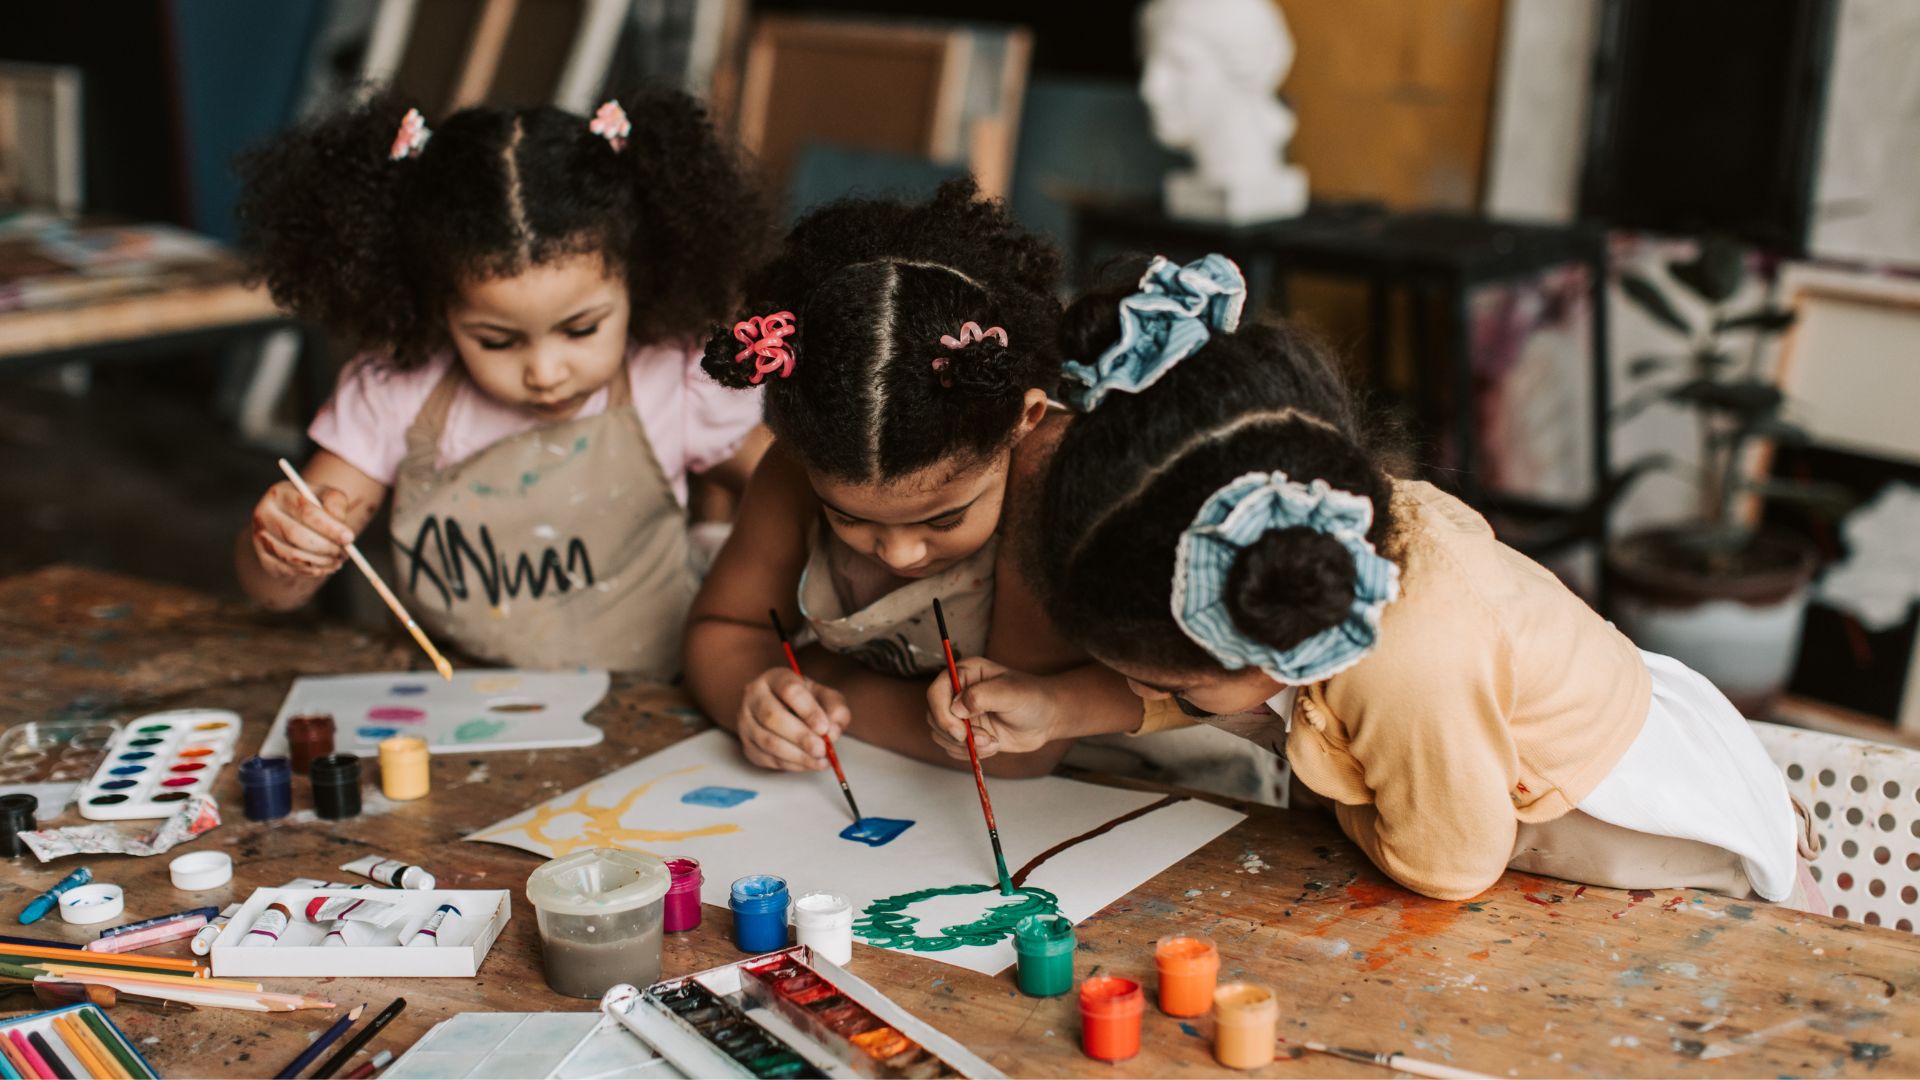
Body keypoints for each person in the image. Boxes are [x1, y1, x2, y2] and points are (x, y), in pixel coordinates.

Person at [931, 253, 1818, 908]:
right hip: (1490, 795)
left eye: (1177, 687)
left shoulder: (1409, 662)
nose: (1161, 696)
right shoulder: (1320, 533)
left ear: (1270, 628)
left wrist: (1331, 793)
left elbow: (1450, 864)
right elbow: (1221, 690)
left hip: (1653, 857)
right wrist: (1056, 709)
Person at [233, 90, 768, 677]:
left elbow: (785, 487)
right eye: (497, 340)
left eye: (581, 329)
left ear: (637, 283)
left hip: (650, 704)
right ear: (439, 310)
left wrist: (743, 568)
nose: (545, 372)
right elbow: (272, 596)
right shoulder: (396, 394)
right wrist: (285, 555)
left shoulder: (672, 378)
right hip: (454, 706)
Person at [684, 180, 1146, 776]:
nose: (900, 553)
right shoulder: (800, 468)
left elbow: (1014, 755)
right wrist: (754, 697)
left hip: (1108, 782)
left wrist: (827, 677)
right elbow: (722, 629)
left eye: (944, 517)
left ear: (1024, 420)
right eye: (848, 516)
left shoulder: (1047, 480)